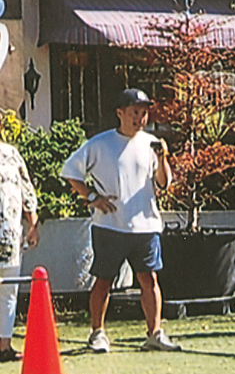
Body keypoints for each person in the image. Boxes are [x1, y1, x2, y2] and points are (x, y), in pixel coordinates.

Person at [61, 88, 181, 354]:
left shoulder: (151, 143)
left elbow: (164, 183)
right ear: (120, 113)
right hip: (110, 225)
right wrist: (93, 197)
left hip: (146, 224)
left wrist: (163, 157)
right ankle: (97, 333)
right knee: (104, 279)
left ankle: (154, 333)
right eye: (135, 112)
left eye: (144, 113)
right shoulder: (99, 143)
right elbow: (70, 172)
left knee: (149, 279)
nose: (141, 118)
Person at [0, 135, 39, 362]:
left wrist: (33, 223)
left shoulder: (12, 153)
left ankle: (4, 345)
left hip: (10, 233)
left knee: (9, 291)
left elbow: (26, 189)